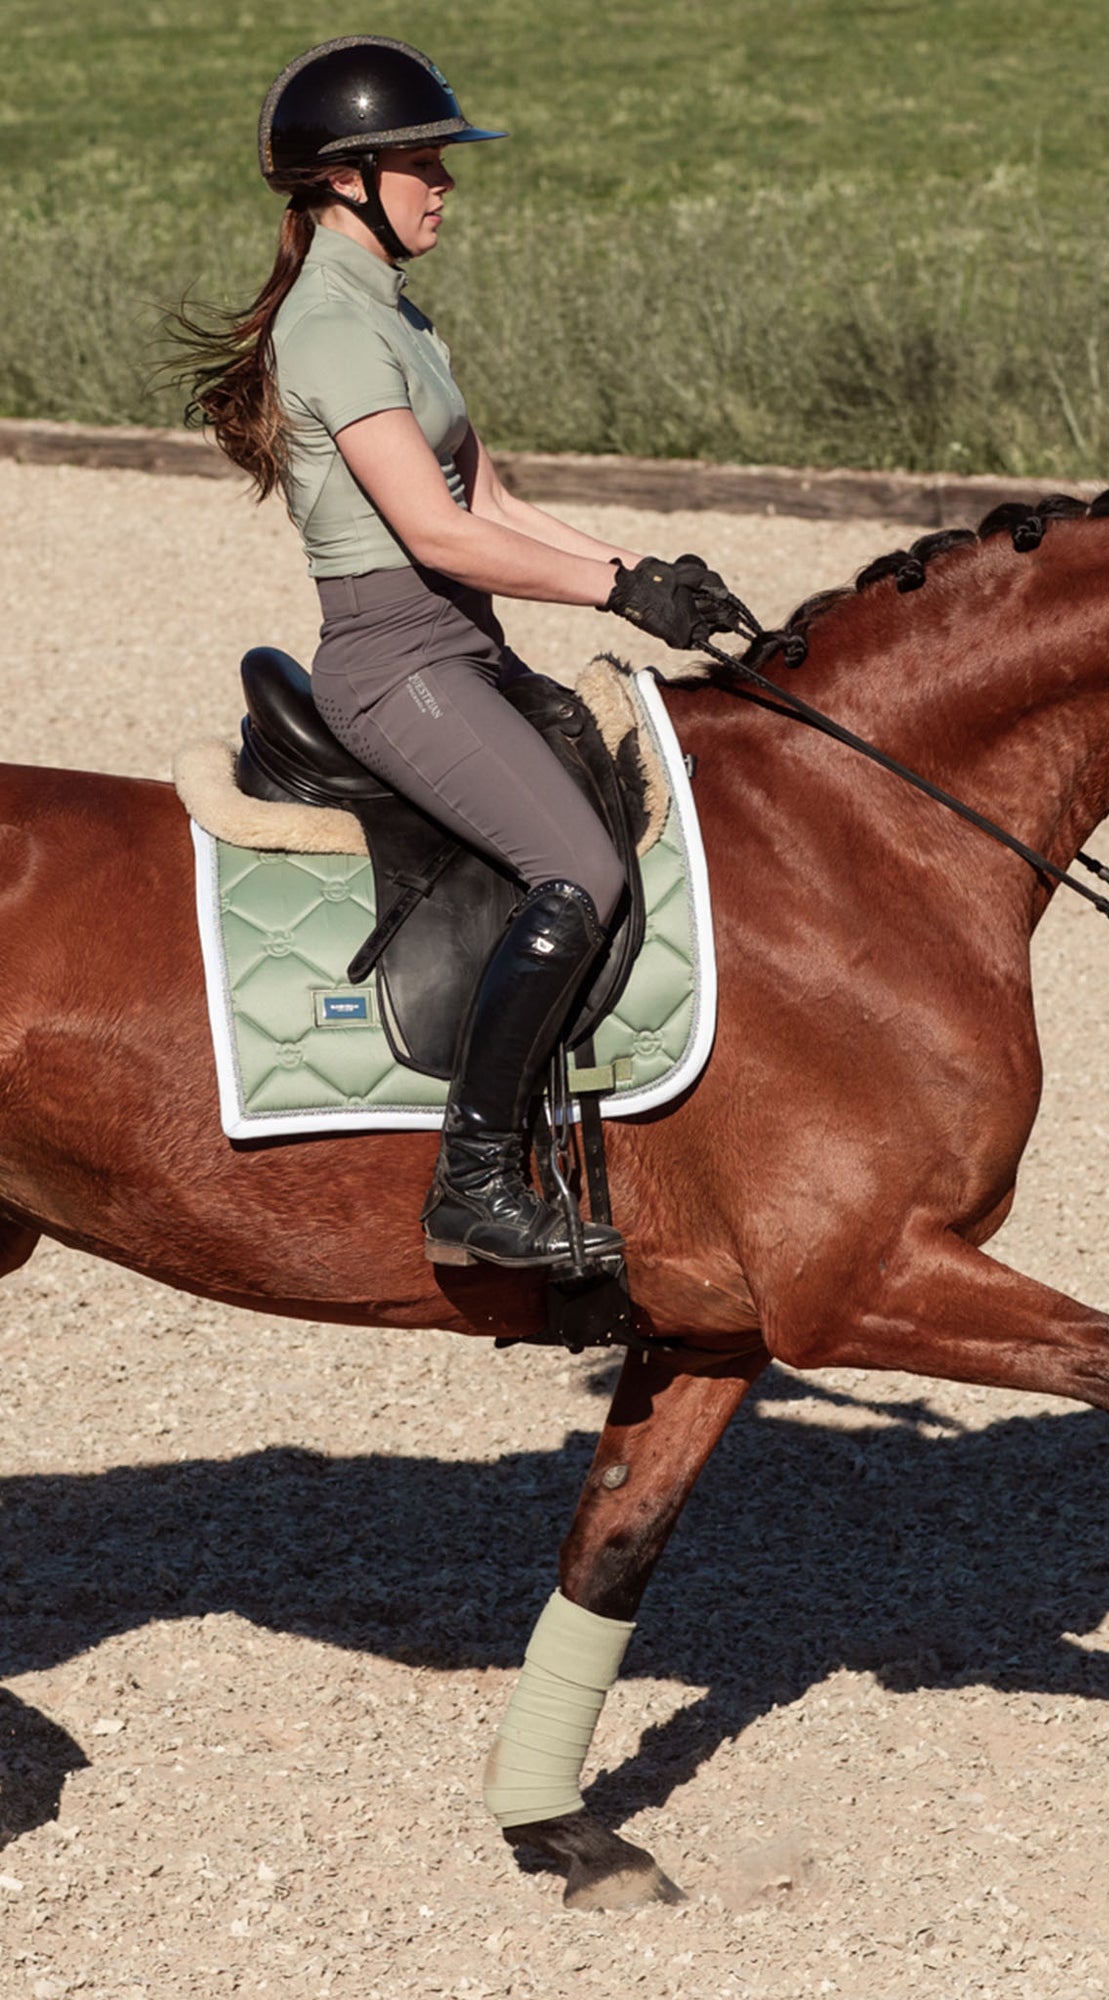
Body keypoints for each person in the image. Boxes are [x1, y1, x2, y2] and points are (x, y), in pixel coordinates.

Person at [178, 36, 745, 1271]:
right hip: (397, 664)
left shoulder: (397, 314)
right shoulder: (329, 328)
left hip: (464, 646)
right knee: (580, 871)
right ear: (346, 182)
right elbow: (436, 532)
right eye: (423, 163)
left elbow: (497, 500)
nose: (446, 184)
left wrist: (655, 578)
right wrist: (612, 587)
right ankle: (475, 1180)